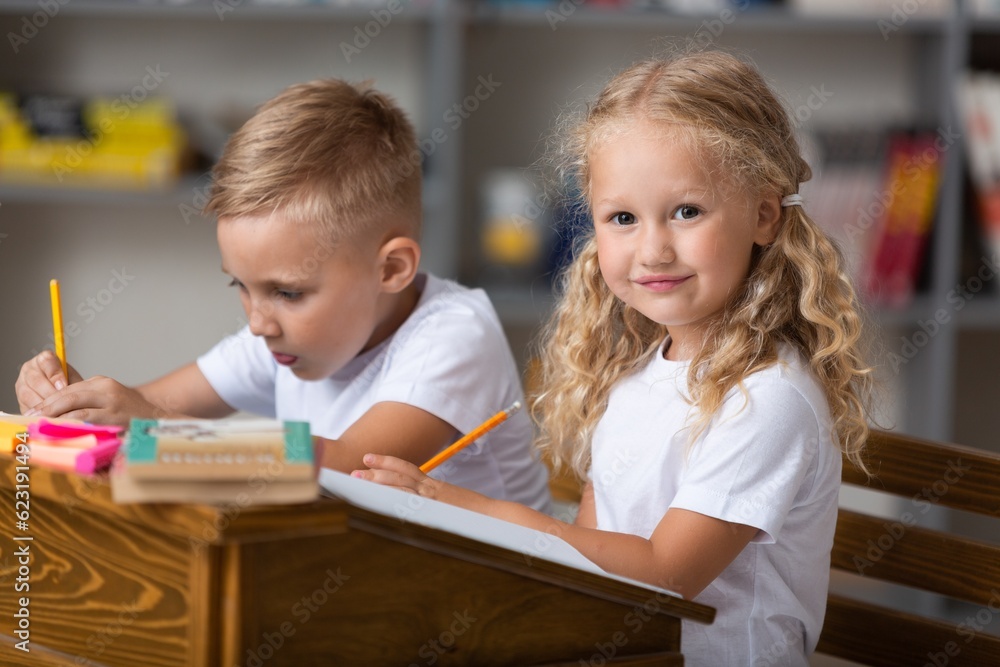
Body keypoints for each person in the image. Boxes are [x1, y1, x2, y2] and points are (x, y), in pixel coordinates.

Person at [353, 50, 875, 665]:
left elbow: (664, 574)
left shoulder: (766, 398)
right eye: (622, 217)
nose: (652, 249)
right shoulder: (632, 377)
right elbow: (595, 558)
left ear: (763, 214)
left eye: (687, 211)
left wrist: (468, 509)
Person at [14, 79, 551, 512]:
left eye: (288, 292)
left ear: (391, 268)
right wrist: (73, 404)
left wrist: (152, 428)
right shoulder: (284, 336)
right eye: (240, 287)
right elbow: (143, 409)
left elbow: (344, 470)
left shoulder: (455, 334)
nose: (257, 322)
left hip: (509, 604)